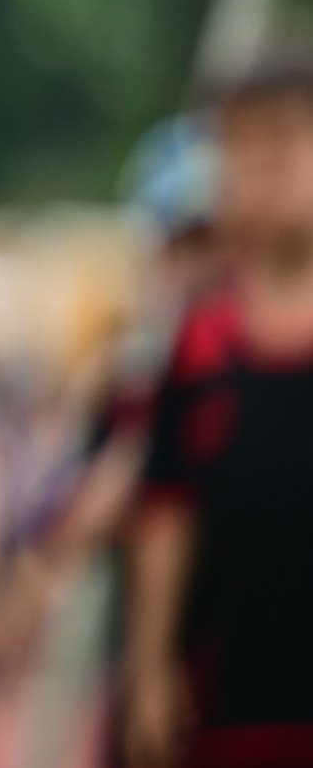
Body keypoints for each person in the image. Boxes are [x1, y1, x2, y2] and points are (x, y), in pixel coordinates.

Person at [123, 53, 313, 768]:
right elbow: (166, 509)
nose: (260, 167)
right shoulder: (201, 339)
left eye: (284, 140)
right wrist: (149, 665)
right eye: (238, 145)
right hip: (230, 696)